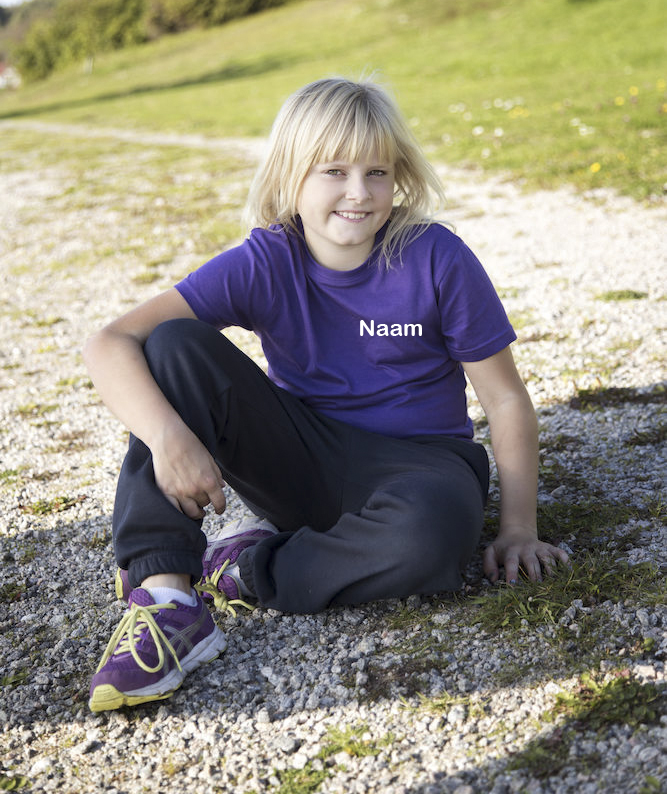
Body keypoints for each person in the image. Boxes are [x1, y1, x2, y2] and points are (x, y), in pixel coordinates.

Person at [84, 76, 569, 713]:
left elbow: (504, 400)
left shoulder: (436, 258)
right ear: (291, 178)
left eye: (377, 172)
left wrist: (519, 527)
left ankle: (247, 569)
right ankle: (168, 600)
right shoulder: (267, 261)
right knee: (173, 344)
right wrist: (169, 437)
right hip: (301, 460)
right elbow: (110, 342)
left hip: (421, 468)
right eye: (334, 171)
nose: (358, 192)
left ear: (398, 177)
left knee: (431, 537)